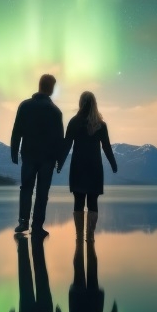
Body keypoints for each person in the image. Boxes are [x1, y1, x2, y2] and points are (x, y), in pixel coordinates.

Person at [11, 74, 64, 237]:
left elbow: (17, 130)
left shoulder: (25, 106)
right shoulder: (55, 111)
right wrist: (59, 161)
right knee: (42, 192)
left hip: (28, 155)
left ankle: (23, 222)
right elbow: (59, 139)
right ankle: (37, 226)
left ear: (40, 85)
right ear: (51, 88)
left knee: (25, 189)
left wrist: (14, 151)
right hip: (47, 159)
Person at [60, 91, 117, 242]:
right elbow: (106, 147)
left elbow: (67, 145)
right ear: (94, 104)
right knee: (93, 201)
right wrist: (113, 164)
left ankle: (79, 236)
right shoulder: (100, 125)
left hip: (78, 166)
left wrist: (60, 162)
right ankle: (90, 236)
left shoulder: (74, 122)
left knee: (78, 200)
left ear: (80, 103)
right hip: (95, 167)